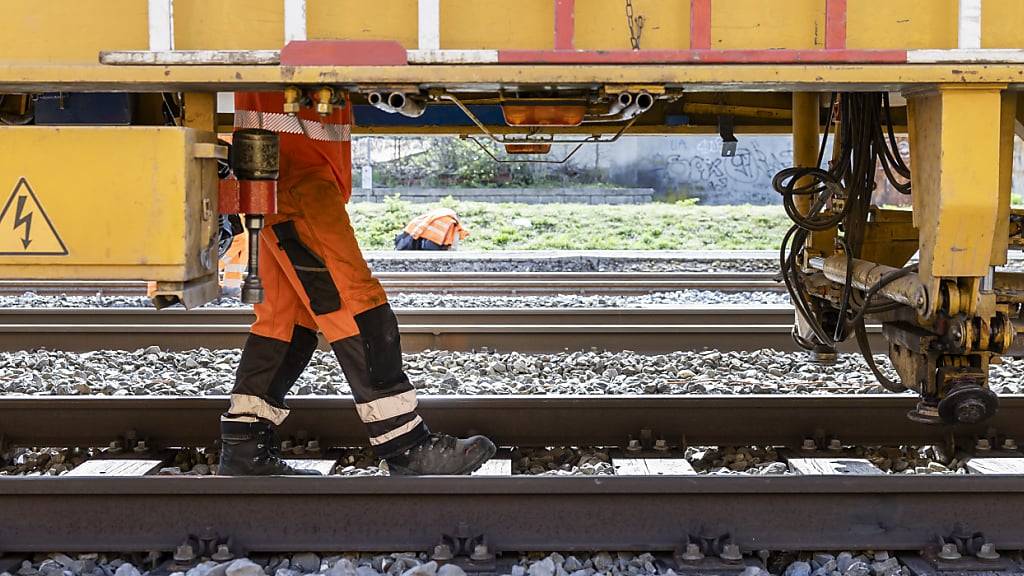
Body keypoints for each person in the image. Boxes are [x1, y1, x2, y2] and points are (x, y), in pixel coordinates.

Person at [218, 92, 495, 476]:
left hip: (277, 171)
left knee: (285, 320)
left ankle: (244, 446)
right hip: (297, 173)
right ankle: (405, 444)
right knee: (355, 303)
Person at [394, 207, 468, 250]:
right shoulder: (452, 223)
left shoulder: (426, 218)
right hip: (431, 246)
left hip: (415, 242)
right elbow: (453, 248)